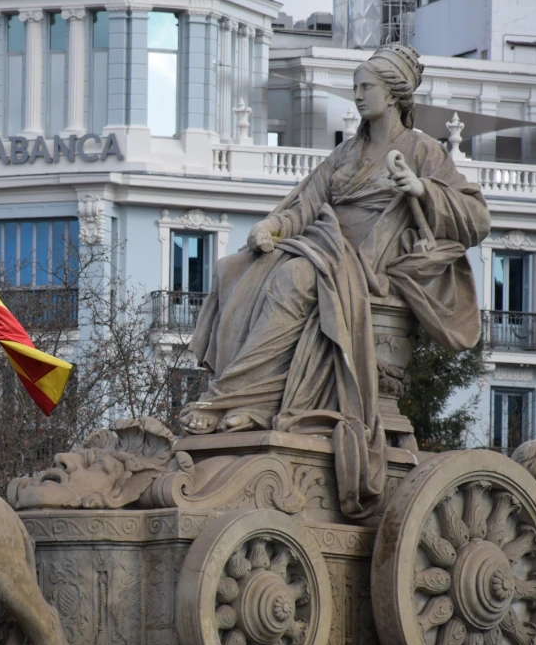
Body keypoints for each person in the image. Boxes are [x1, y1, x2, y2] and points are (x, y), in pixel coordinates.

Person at [183, 43, 490, 517]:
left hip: (367, 265)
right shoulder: (345, 154)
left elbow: (476, 218)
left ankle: (242, 398)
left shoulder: (423, 152)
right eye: (356, 88)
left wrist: (421, 188)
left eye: (366, 87)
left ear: (394, 93)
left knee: (295, 278)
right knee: (231, 269)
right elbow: (306, 204)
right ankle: (240, 397)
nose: (358, 96)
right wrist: (273, 227)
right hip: (322, 244)